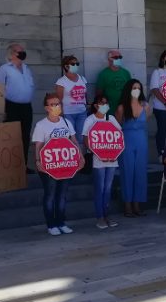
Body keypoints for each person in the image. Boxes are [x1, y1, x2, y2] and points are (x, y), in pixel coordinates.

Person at [32, 92, 83, 236]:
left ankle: (61, 222)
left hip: (66, 165)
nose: (56, 106)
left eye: (58, 103)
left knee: (62, 195)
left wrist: (81, 157)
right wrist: (37, 161)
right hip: (48, 167)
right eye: (52, 104)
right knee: (50, 194)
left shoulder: (66, 122)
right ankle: (51, 224)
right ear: (46, 107)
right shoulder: (41, 125)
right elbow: (38, 146)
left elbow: (73, 141)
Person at [82, 94, 121, 230]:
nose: (104, 105)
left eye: (106, 103)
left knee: (108, 189)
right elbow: (86, 139)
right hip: (98, 160)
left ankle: (106, 215)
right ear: (96, 105)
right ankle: (100, 217)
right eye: (101, 103)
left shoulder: (112, 118)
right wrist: (97, 152)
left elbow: (119, 136)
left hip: (112, 159)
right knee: (100, 188)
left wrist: (113, 153)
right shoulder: (89, 120)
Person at [0, 43, 36, 163]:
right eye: (20, 51)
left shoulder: (26, 68)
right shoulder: (4, 69)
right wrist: (1, 109)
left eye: (23, 50)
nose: (23, 53)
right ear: (12, 53)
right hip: (11, 106)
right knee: (12, 136)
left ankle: (23, 164)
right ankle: (11, 165)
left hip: (26, 106)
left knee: (25, 135)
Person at [116, 79, 150, 217]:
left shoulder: (146, 106)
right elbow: (117, 126)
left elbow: (145, 121)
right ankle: (127, 205)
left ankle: (137, 204)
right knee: (127, 172)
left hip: (141, 140)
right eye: (134, 87)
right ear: (128, 89)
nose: (136, 90)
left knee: (140, 172)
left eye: (139, 88)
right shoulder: (121, 108)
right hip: (126, 141)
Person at [54, 54, 87, 157]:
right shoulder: (61, 81)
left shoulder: (82, 78)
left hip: (82, 111)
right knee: (70, 137)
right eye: (73, 64)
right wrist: (60, 114)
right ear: (66, 66)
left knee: (81, 137)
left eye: (77, 63)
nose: (76, 65)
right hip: (68, 113)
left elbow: (85, 94)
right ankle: (72, 159)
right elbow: (58, 99)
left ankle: (81, 159)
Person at [95, 50, 131, 115]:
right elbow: (99, 93)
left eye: (120, 57)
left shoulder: (126, 73)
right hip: (109, 111)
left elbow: (130, 89)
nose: (118, 59)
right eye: (116, 57)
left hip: (124, 109)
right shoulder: (103, 74)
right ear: (109, 59)